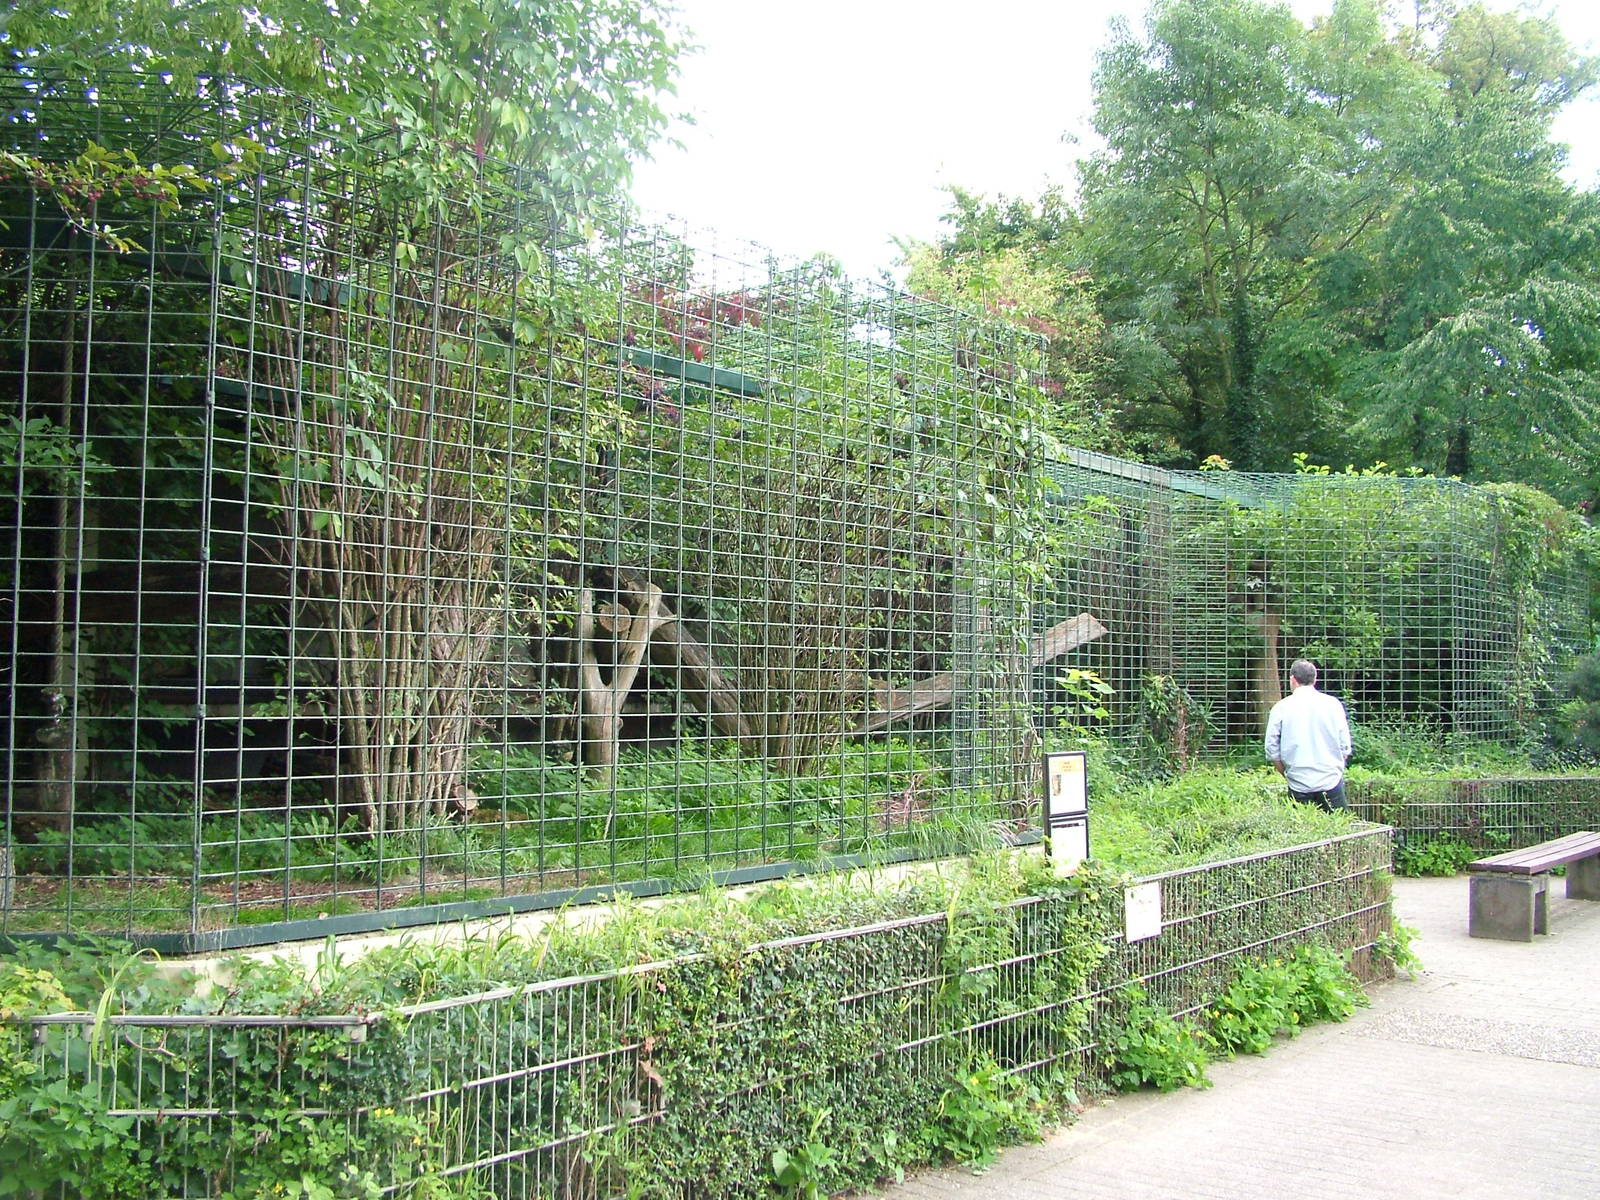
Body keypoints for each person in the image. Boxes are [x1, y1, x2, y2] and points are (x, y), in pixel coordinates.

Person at [1264, 658, 1351, 811]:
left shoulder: (1281, 708)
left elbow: (1272, 750)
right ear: (1315, 679)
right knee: (1342, 831)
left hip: (1298, 783)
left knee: (1301, 832)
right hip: (1331, 781)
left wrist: (1287, 774)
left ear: (1292, 679)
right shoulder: (1333, 705)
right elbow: (1345, 747)